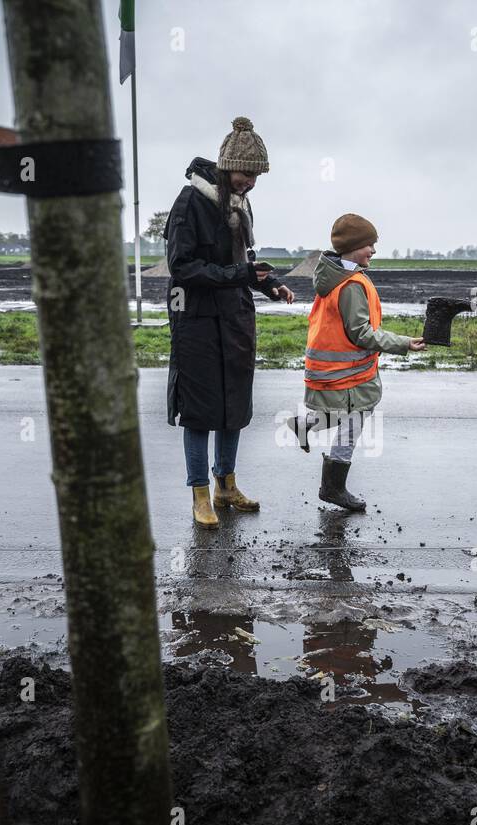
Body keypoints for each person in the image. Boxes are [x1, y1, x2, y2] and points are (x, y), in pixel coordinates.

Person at [166, 117, 295, 528]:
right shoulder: (190, 202)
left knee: (234, 406)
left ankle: (226, 486)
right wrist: (239, 277)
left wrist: (269, 284)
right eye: (246, 173)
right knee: (201, 411)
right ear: (226, 167)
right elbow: (182, 267)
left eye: (256, 176)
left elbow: (242, 263)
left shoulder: (240, 203)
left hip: (235, 318)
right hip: (198, 320)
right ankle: (200, 494)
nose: (251, 182)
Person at [285, 214, 425, 510]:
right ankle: (333, 488)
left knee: (340, 413)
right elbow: (361, 333)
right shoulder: (350, 284)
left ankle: (304, 424)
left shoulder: (337, 277)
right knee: (353, 420)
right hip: (347, 372)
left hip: (334, 370)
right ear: (351, 248)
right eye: (368, 245)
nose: (373, 250)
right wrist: (404, 343)